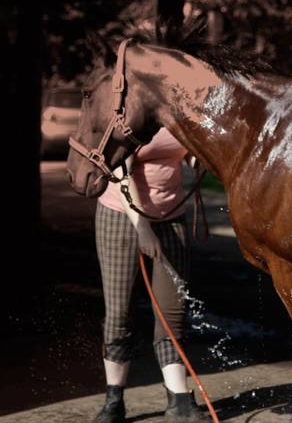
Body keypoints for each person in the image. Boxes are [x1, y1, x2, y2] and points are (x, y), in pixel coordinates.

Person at [92, 127, 204, 423]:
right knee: (119, 313)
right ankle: (113, 401)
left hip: (171, 216)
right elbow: (121, 172)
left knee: (172, 313)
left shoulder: (178, 113)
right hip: (121, 215)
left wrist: (199, 159)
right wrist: (142, 227)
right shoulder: (131, 117)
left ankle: (179, 401)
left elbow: (188, 151)